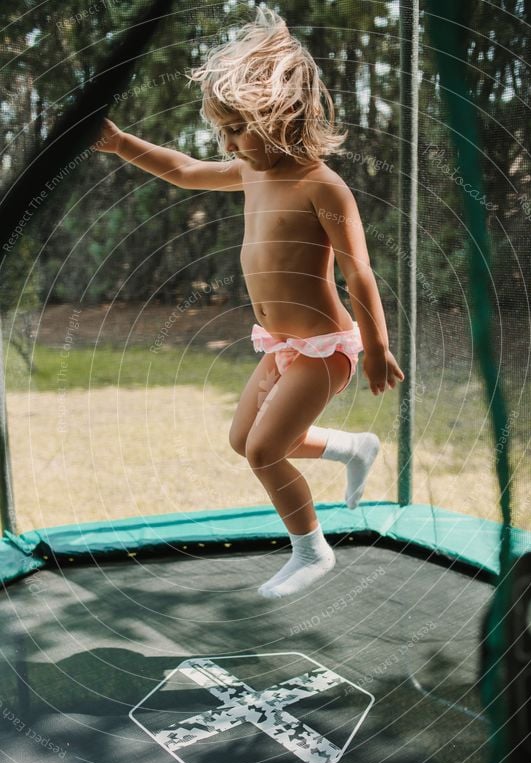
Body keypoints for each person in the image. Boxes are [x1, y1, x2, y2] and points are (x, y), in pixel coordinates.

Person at [94, 6, 404, 599]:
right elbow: (184, 170)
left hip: (323, 348)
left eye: (237, 128)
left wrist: (375, 349)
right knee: (245, 441)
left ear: (280, 115)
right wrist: (120, 142)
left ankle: (312, 552)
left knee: (264, 450)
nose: (229, 143)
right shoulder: (251, 172)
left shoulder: (322, 186)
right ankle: (352, 448)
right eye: (224, 131)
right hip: (283, 344)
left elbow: (357, 272)